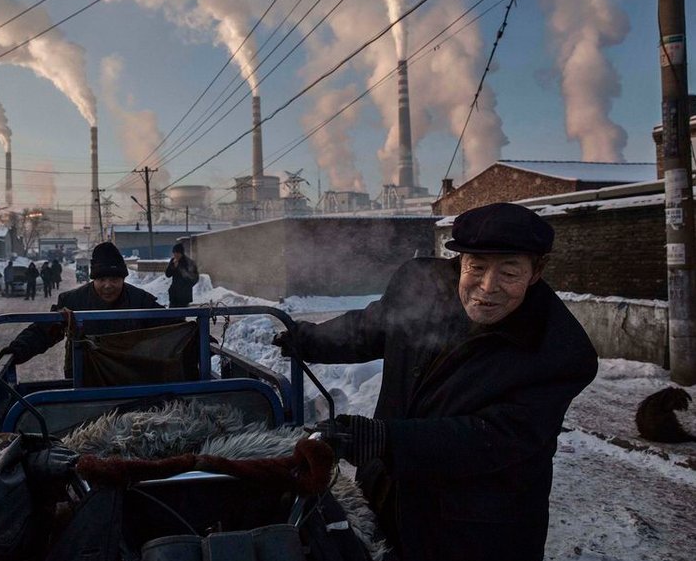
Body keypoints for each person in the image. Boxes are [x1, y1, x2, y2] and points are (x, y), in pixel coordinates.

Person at [273, 202, 598, 561]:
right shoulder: (423, 288)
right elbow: (370, 328)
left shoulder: (559, 352)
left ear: (537, 271)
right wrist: (305, 340)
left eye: (509, 272)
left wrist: (385, 439)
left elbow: (492, 438)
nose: (488, 287)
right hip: (387, 499)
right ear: (460, 261)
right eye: (477, 267)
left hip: (473, 531)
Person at [0, 242, 166, 375]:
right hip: (84, 379)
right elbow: (44, 331)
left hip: (128, 378)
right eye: (101, 279)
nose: (108, 285)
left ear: (123, 279)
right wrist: (17, 349)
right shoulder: (72, 301)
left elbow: (171, 327)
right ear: (93, 279)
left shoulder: (141, 301)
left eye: (114, 279)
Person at [165, 243, 199, 308]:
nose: (175, 255)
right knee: (172, 315)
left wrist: (187, 287)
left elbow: (195, 278)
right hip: (174, 294)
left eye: (177, 253)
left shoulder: (189, 262)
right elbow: (168, 274)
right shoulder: (173, 261)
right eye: (174, 253)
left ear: (181, 253)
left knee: (181, 314)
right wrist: (173, 267)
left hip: (184, 296)